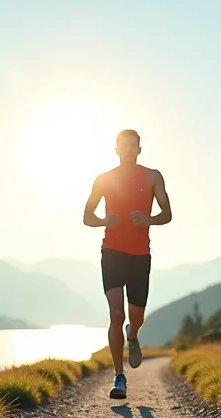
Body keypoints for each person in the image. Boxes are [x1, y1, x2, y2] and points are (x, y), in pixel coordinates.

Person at [83, 129, 172, 399]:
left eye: (133, 145)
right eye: (124, 145)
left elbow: (167, 214)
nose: (128, 149)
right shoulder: (104, 179)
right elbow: (87, 216)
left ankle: (132, 336)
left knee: (135, 318)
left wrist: (149, 220)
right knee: (116, 314)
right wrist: (103, 222)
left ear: (139, 149)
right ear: (117, 149)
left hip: (139, 256)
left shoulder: (153, 177)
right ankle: (119, 376)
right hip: (111, 252)